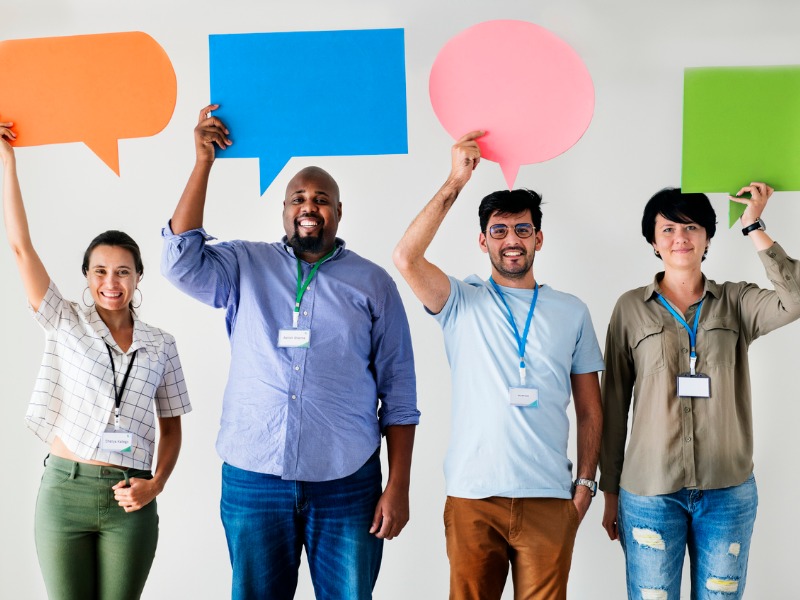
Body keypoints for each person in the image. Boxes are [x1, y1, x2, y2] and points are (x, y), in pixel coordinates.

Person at [160, 105, 419, 600]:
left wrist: (399, 484)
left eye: (322, 199)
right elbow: (179, 262)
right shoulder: (244, 264)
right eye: (298, 197)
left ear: (338, 213)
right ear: (283, 210)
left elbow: (399, 394)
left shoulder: (373, 284)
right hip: (254, 478)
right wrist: (203, 163)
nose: (309, 206)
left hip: (347, 481)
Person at [393, 130, 604, 600]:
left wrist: (586, 485)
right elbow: (406, 258)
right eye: (500, 230)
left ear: (539, 238)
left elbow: (591, 409)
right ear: (483, 239)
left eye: (523, 230)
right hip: (473, 496)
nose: (512, 241)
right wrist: (455, 181)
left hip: (549, 497)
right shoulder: (459, 301)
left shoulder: (571, 310)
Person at [0, 120, 191, 600]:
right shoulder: (64, 322)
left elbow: (171, 427)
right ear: (86, 276)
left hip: (131, 497)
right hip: (65, 492)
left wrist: (156, 485)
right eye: (100, 271)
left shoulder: (161, 343)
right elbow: (22, 248)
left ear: (138, 277)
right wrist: (8, 165)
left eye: (123, 271)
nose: (112, 282)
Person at [599, 183, 800, 599]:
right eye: (668, 229)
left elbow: (794, 299)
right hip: (649, 493)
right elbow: (614, 404)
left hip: (727, 491)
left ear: (707, 236)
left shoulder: (737, 301)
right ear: (653, 242)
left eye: (691, 227)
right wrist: (610, 491)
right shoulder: (630, 309)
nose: (680, 238)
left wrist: (753, 225)